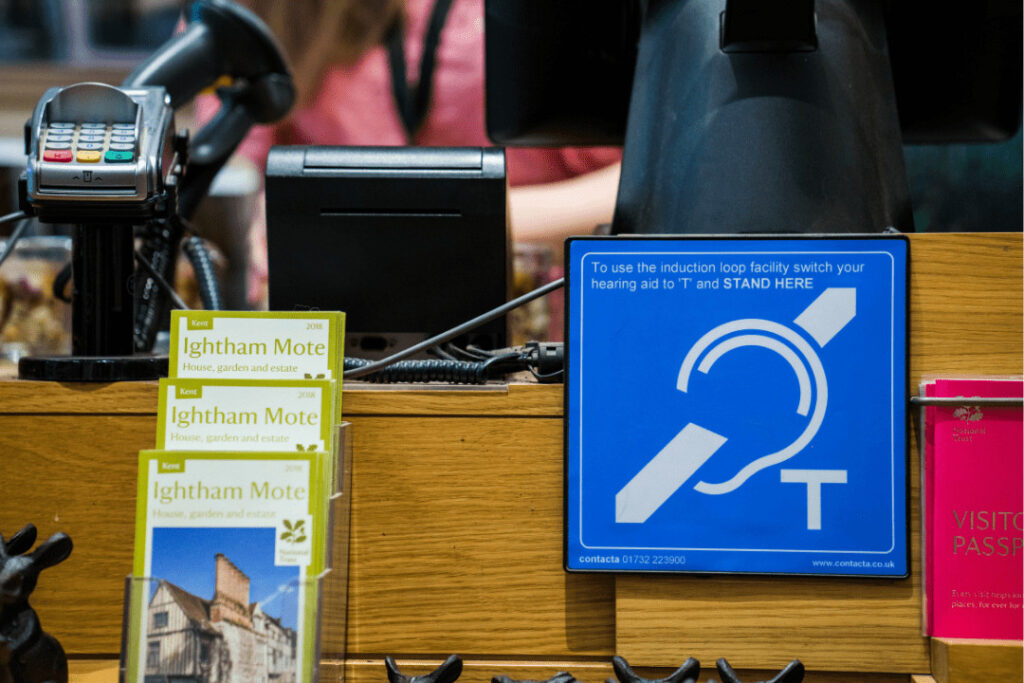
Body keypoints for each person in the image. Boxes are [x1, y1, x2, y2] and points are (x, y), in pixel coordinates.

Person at [198, 0, 621, 306]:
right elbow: (229, 177)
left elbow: (644, 183)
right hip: (340, 314)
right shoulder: (272, 11)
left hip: (532, 314)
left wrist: (426, 224)